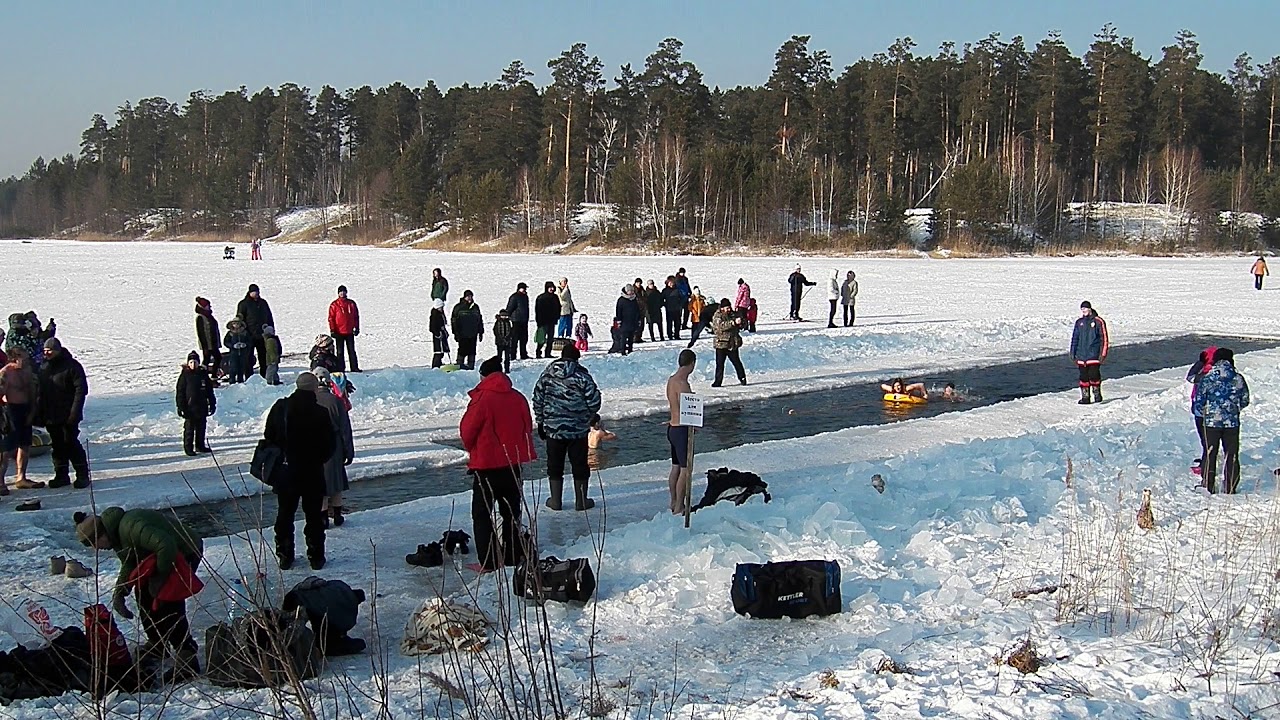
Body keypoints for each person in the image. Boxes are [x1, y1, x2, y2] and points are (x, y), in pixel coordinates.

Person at [75, 507, 203, 680]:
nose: (96, 549)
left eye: (93, 543)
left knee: (167, 600)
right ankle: (157, 644)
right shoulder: (117, 537)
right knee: (143, 595)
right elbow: (130, 563)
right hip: (162, 552)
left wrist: (161, 578)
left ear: (101, 535)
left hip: (184, 549)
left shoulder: (132, 527)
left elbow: (166, 545)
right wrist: (121, 591)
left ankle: (187, 656)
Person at [460, 356, 536, 572]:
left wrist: (473, 450)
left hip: (486, 466)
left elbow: (467, 431)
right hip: (512, 464)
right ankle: (513, 555)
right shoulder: (517, 397)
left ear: (484, 376)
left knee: (482, 514)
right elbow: (527, 427)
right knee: (511, 512)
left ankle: (489, 561)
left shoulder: (482, 399)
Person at [264, 372, 336, 570]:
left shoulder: (281, 407)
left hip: (286, 472)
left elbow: (269, 435)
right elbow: (330, 444)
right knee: (313, 516)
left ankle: (285, 555)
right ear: (313, 388)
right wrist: (317, 459)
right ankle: (316, 557)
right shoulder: (320, 412)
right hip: (312, 472)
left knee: (285, 514)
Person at [531, 345, 602, 511]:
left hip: (553, 429)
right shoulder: (582, 376)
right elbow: (594, 401)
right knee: (579, 464)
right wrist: (590, 415)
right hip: (578, 429)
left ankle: (556, 501)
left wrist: (541, 422)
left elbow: (538, 399)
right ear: (577, 358)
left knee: (554, 464)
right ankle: (581, 501)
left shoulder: (547, 375)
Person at [37, 338, 90, 489]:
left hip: (68, 414)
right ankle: (61, 475)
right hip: (50, 414)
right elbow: (40, 391)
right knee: (58, 445)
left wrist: (74, 413)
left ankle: (82, 475)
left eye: (50, 351)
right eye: (45, 350)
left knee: (71, 444)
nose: (46, 353)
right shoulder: (44, 367)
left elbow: (81, 391)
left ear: (58, 351)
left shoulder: (72, 366)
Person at [1195, 348, 1249, 494]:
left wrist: (1207, 412)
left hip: (1211, 423)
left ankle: (1208, 486)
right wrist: (1233, 410)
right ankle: (1230, 487)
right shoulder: (1238, 378)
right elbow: (1245, 400)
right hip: (1232, 423)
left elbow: (1198, 402)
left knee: (1210, 453)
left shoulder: (1207, 378)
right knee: (1231, 454)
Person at [313, 368, 354, 528]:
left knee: (320, 483)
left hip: (315, 446)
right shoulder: (336, 401)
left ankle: (323, 517)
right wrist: (348, 451)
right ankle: (337, 516)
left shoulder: (310, 401)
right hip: (334, 445)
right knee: (336, 481)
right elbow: (345, 429)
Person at [0, 348, 42, 492]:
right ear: (15, 358)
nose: (26, 360)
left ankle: (21, 477)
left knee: (25, 444)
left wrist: (32, 411)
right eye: (24, 357)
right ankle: (0, 482)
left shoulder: (28, 371)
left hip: (26, 409)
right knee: (7, 447)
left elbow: (33, 392)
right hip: (10, 410)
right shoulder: (5, 373)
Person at [665, 350, 696, 515]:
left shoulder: (671, 381)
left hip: (672, 428)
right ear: (691, 364)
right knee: (685, 469)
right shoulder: (683, 384)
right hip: (682, 430)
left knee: (675, 467)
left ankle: (673, 501)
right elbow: (689, 409)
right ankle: (679, 506)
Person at [175, 351, 215, 457]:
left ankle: (200, 445)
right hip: (189, 407)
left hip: (201, 406)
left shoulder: (203, 374)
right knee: (189, 429)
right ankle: (188, 447)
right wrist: (181, 407)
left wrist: (212, 403)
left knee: (201, 427)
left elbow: (209, 391)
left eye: (195, 362)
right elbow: (180, 392)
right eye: (191, 362)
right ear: (188, 363)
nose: (193, 364)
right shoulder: (185, 375)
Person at [1070, 301, 1109, 404]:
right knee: (1083, 377)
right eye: (1082, 309)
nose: (1084, 311)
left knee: (1094, 375)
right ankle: (1085, 397)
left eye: (1085, 309)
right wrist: (1073, 352)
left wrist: (1103, 354)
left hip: (1094, 354)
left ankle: (1097, 394)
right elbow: (1075, 338)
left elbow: (1104, 338)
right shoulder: (1079, 322)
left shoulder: (1098, 321)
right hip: (1082, 355)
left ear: (1090, 309)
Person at [1187, 345, 1218, 475]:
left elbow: (1190, 377)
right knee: (1209, 439)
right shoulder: (1221, 371)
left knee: (1205, 438)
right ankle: (1206, 461)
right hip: (1216, 411)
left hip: (1202, 411)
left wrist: (1200, 363)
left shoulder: (1205, 373)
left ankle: (1206, 465)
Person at [235, 284, 274, 378]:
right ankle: (249, 376)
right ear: (249, 292)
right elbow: (240, 319)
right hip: (249, 335)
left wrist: (271, 329)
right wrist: (241, 333)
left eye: (257, 292)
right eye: (253, 292)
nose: (256, 294)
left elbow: (269, 317)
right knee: (248, 358)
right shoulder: (243, 304)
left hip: (262, 334)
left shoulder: (263, 303)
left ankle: (264, 375)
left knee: (263, 356)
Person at [710, 300, 747, 387]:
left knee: (737, 362)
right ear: (722, 308)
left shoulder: (733, 314)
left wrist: (741, 322)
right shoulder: (717, 316)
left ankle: (742, 378)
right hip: (721, 344)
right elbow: (720, 326)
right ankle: (718, 382)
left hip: (732, 343)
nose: (729, 309)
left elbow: (742, 325)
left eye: (729, 307)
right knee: (720, 364)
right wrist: (733, 323)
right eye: (727, 308)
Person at [328, 285, 361, 373]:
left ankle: (354, 368)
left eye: (343, 291)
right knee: (340, 352)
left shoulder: (351, 303)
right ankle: (340, 368)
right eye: (340, 292)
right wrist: (332, 329)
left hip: (349, 331)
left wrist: (356, 327)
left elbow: (355, 316)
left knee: (351, 350)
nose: (342, 293)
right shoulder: (334, 305)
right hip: (339, 332)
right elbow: (331, 318)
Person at [451, 290, 484, 370]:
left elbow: (479, 320)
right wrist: (455, 333)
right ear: (464, 297)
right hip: (462, 334)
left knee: (472, 351)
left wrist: (481, 331)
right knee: (462, 351)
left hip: (473, 334)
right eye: (468, 296)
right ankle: (459, 366)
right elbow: (454, 321)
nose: (469, 298)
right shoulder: (458, 307)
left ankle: (471, 367)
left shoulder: (475, 307)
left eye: (471, 296)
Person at [194, 297, 222, 382]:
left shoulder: (209, 316)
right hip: (208, 344)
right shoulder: (200, 317)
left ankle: (209, 376)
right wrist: (205, 346)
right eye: (208, 306)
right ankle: (205, 376)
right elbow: (201, 333)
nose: (210, 307)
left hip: (213, 343)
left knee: (213, 359)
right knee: (209, 359)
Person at [504, 282, 531, 360]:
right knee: (514, 339)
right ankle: (512, 355)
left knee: (524, 338)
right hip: (516, 321)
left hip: (524, 320)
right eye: (523, 288)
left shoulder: (525, 297)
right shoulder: (514, 297)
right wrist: (506, 315)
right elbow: (510, 307)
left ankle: (523, 354)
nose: (525, 290)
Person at [534, 281, 560, 359]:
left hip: (552, 321)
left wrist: (557, 317)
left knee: (550, 338)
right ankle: (538, 352)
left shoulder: (555, 297)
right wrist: (539, 322)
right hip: (543, 322)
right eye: (550, 287)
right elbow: (538, 311)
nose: (551, 289)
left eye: (552, 287)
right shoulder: (541, 298)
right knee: (541, 338)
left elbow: (558, 308)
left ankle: (548, 353)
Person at [222, 318, 251, 384]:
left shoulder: (245, 332)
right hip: (233, 353)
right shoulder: (230, 333)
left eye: (237, 323)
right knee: (233, 367)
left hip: (243, 353)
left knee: (241, 367)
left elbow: (250, 341)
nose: (236, 325)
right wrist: (233, 346)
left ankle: (240, 380)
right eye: (234, 323)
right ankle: (232, 380)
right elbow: (226, 342)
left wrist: (245, 344)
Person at [615, 285, 641, 356]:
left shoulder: (634, 299)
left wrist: (638, 319)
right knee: (623, 337)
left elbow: (637, 310)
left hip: (632, 321)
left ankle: (630, 350)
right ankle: (623, 351)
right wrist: (619, 320)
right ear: (626, 291)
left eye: (632, 291)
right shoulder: (621, 300)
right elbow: (618, 311)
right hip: (624, 322)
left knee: (631, 337)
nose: (631, 292)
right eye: (630, 291)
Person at [662, 276, 684, 341]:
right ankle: (670, 335)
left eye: (672, 283)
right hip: (669, 309)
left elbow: (682, 298)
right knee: (669, 323)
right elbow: (661, 299)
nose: (671, 284)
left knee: (677, 323)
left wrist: (680, 305)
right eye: (670, 283)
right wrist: (665, 304)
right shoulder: (665, 291)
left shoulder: (677, 290)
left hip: (677, 309)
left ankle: (677, 335)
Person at [493, 309, 516, 373]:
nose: (504, 317)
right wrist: (501, 338)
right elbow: (496, 331)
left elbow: (510, 331)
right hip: (499, 342)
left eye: (505, 316)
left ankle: (507, 369)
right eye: (503, 316)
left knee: (507, 357)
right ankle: (498, 369)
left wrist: (507, 338)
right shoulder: (498, 322)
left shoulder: (508, 322)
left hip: (507, 343)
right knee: (499, 357)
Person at [430, 298, 450, 368]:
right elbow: (432, 327)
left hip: (442, 334)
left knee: (442, 351)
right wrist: (437, 334)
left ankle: (439, 363)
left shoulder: (440, 314)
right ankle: (435, 365)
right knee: (438, 351)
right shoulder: (435, 315)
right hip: (438, 336)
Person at [632, 278, 648, 344]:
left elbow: (645, 298)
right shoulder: (633, 291)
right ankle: (634, 338)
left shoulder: (642, 290)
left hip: (642, 310)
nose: (639, 284)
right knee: (636, 325)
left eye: (640, 283)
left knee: (642, 325)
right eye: (637, 283)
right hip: (636, 311)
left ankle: (639, 337)